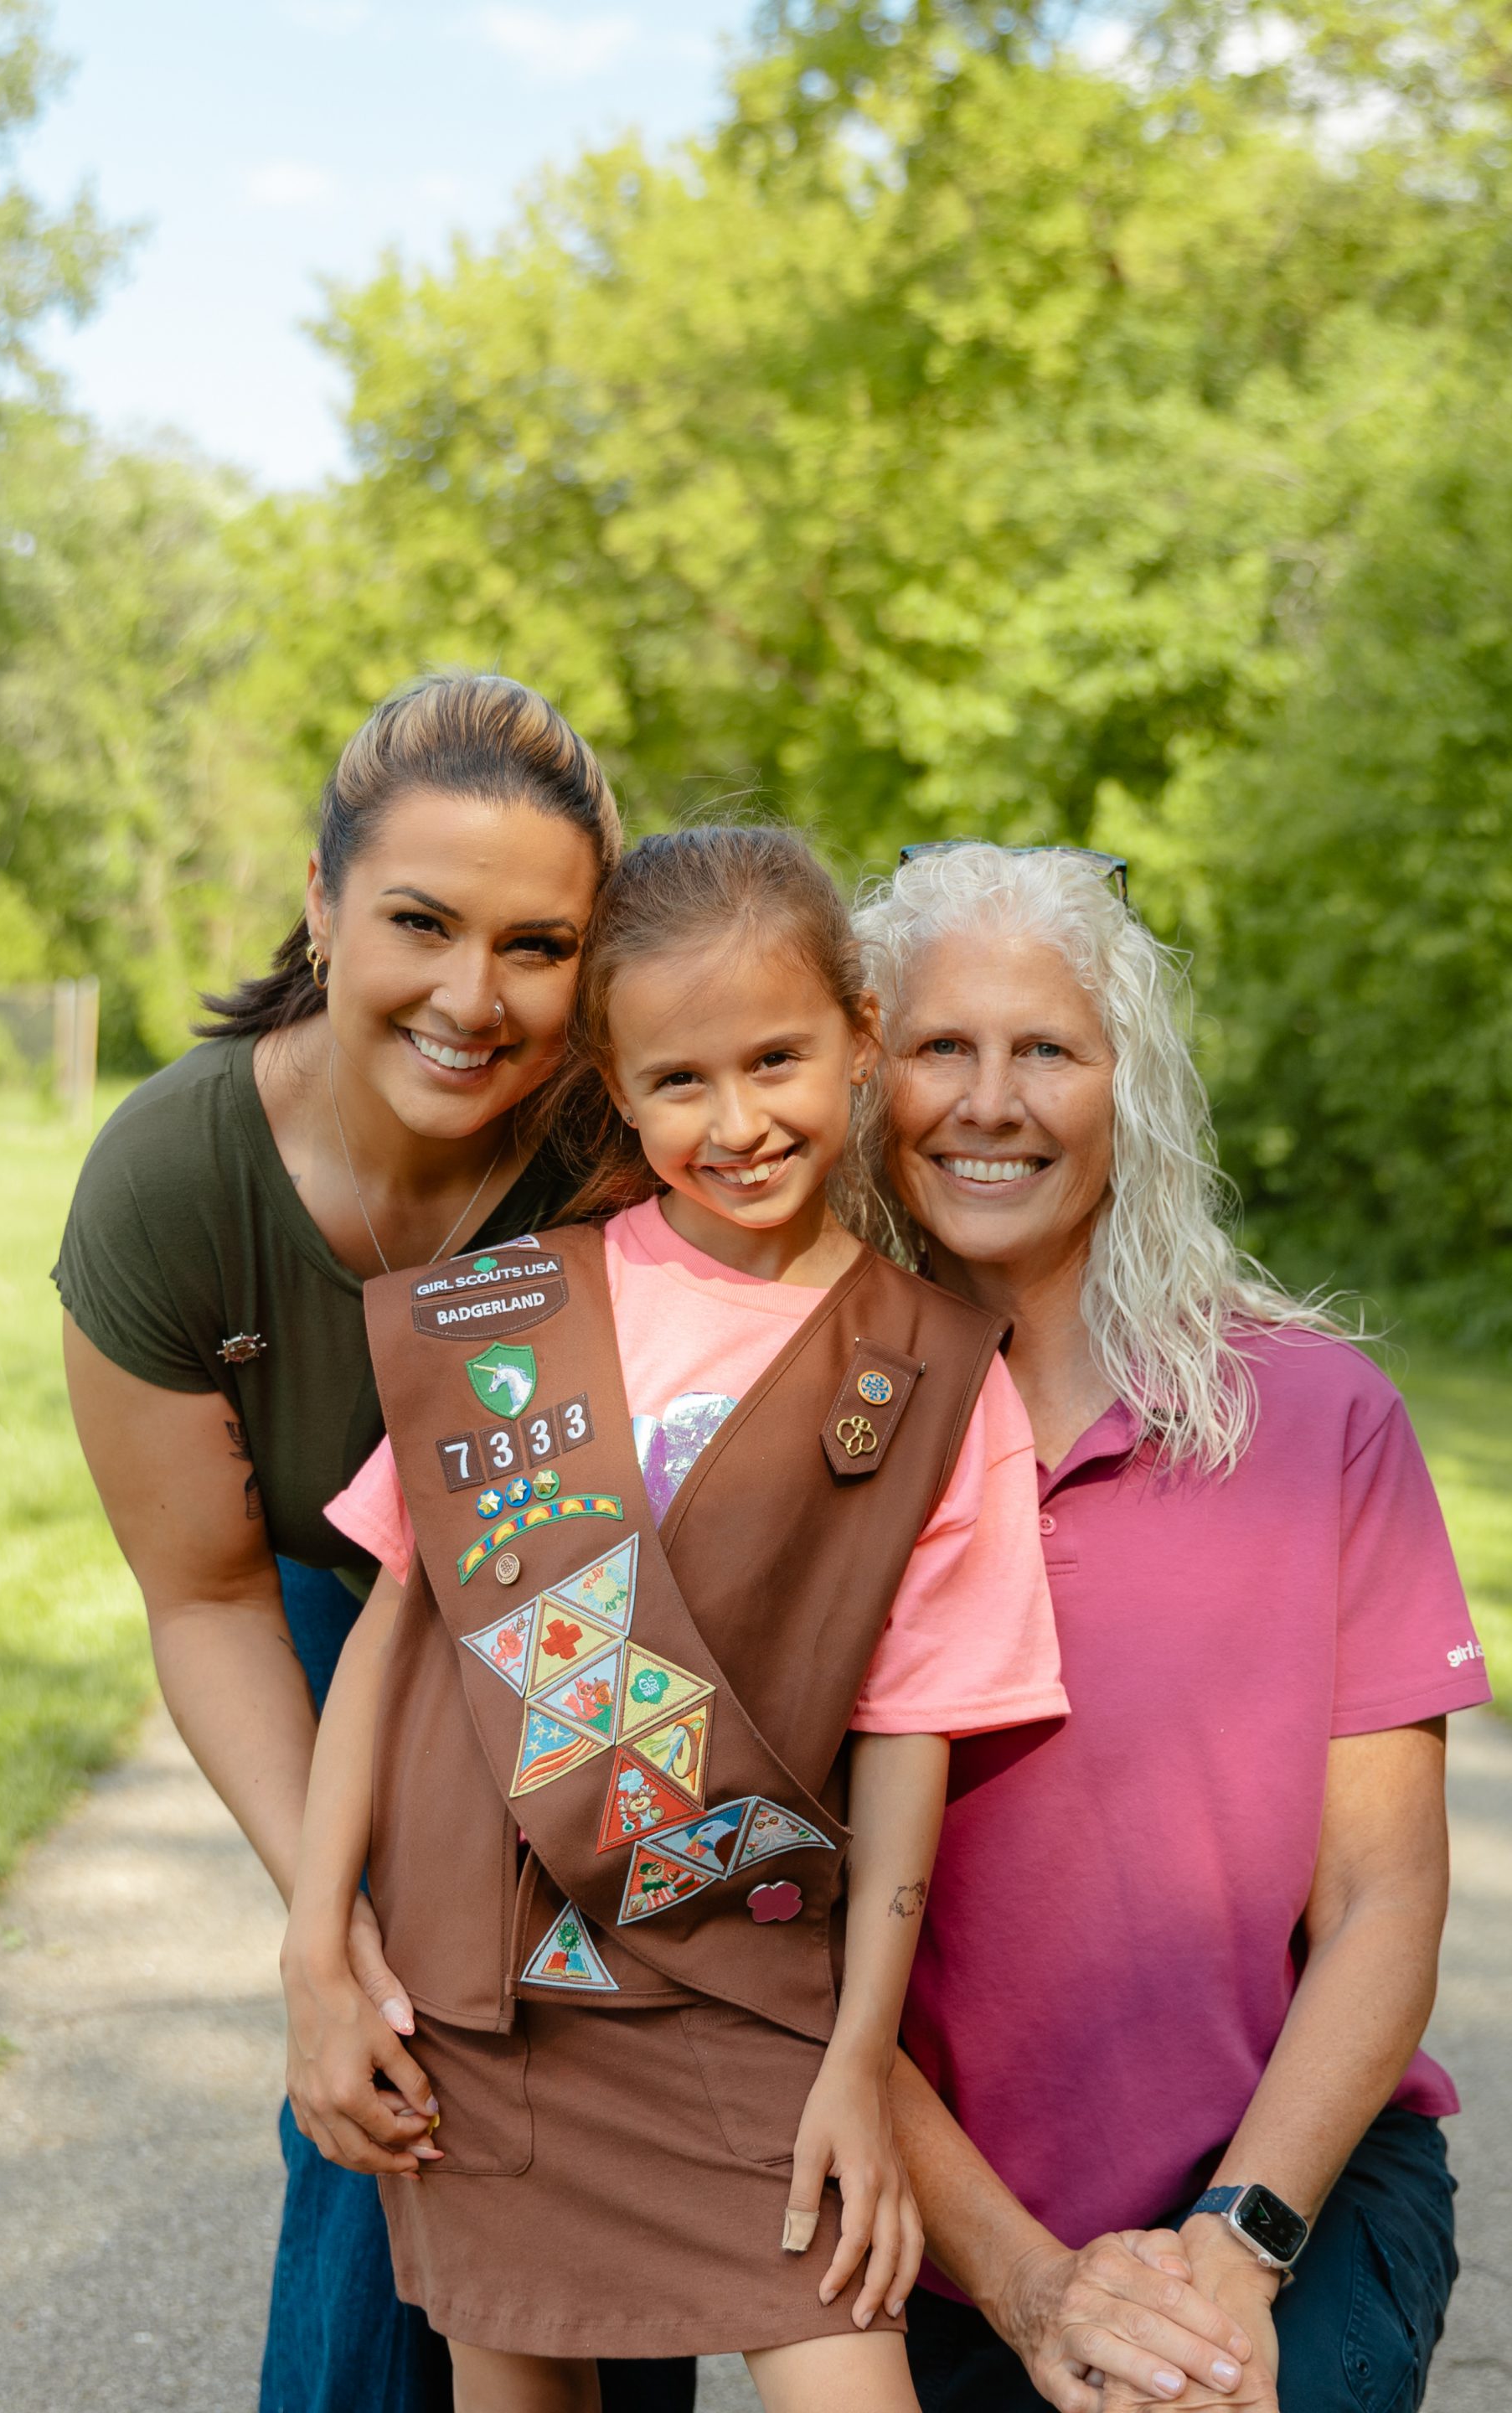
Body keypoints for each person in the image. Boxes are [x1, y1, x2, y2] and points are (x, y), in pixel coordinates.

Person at [283, 826, 1069, 2412]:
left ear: (860, 1035)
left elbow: (910, 1738)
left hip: (741, 1989)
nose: (738, 1122)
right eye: (680, 1082)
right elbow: (387, 1643)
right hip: (483, 2013)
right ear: (619, 1092)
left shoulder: (932, 1373)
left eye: (776, 1059)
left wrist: (858, 2061)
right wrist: (316, 1948)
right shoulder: (511, 1317)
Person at [55, 675, 689, 2413]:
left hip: (591, 1611)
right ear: (323, 906)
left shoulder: (621, 1148)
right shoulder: (172, 1182)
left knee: (603, 2074)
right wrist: (323, 1929)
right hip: (333, 1615)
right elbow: (204, 1598)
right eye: (421, 922)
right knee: (384, 2036)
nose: (474, 1000)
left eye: (538, 947)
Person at [841, 843, 1493, 2413]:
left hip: (1290, 2193)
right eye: (941, 1047)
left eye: (1047, 1051)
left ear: (1128, 1090)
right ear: (868, 1079)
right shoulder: (801, 1448)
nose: (990, 1102)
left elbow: (1384, 1895)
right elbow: (780, 1948)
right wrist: (1029, 2284)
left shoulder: (1322, 1419)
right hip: (946, 2229)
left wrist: (1230, 2253)